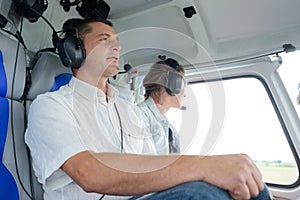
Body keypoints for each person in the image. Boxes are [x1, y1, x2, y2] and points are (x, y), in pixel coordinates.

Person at [25, 18, 271, 200]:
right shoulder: (50, 107)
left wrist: (212, 169)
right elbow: (87, 173)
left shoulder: (127, 110)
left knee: (254, 189)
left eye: (117, 43)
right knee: (201, 194)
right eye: (104, 40)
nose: (117, 48)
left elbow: (154, 165)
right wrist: (202, 167)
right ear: (74, 51)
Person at [138, 58, 186, 154]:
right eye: (182, 85)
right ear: (172, 85)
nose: (184, 94)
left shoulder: (168, 127)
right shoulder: (139, 116)